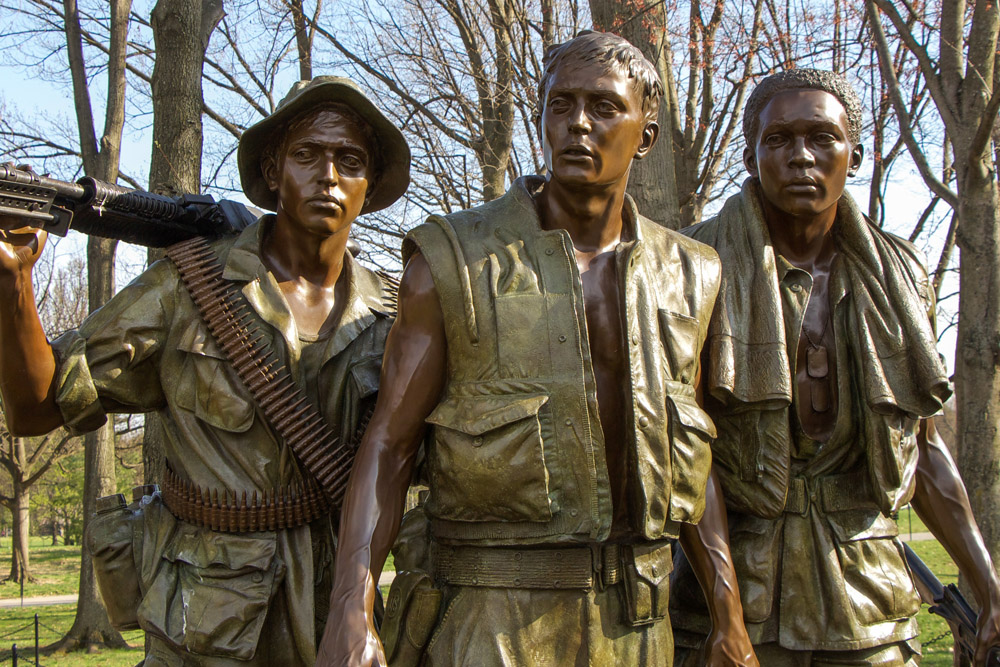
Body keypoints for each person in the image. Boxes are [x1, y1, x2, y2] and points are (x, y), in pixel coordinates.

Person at [318, 31, 756, 666]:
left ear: (647, 134)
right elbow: (389, 442)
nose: (578, 123)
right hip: (490, 616)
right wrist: (351, 611)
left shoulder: (692, 273)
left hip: (640, 622)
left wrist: (727, 614)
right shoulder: (454, 259)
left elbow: (690, 453)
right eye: (561, 104)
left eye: (604, 108)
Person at [0, 76, 410, 665]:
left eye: (350, 161)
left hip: (340, 610)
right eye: (306, 155)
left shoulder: (395, 315)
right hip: (207, 619)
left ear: (369, 189)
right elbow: (36, 408)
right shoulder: (189, 285)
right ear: (273, 173)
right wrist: (14, 283)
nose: (328, 175)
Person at [670, 68, 1000, 666]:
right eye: (780, 140)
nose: (802, 157)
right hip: (739, 597)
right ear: (751, 155)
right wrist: (725, 612)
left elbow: (918, 446)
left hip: (867, 597)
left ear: (856, 154)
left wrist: (987, 583)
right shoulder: (692, 266)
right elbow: (684, 453)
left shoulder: (901, 273)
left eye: (822, 138)